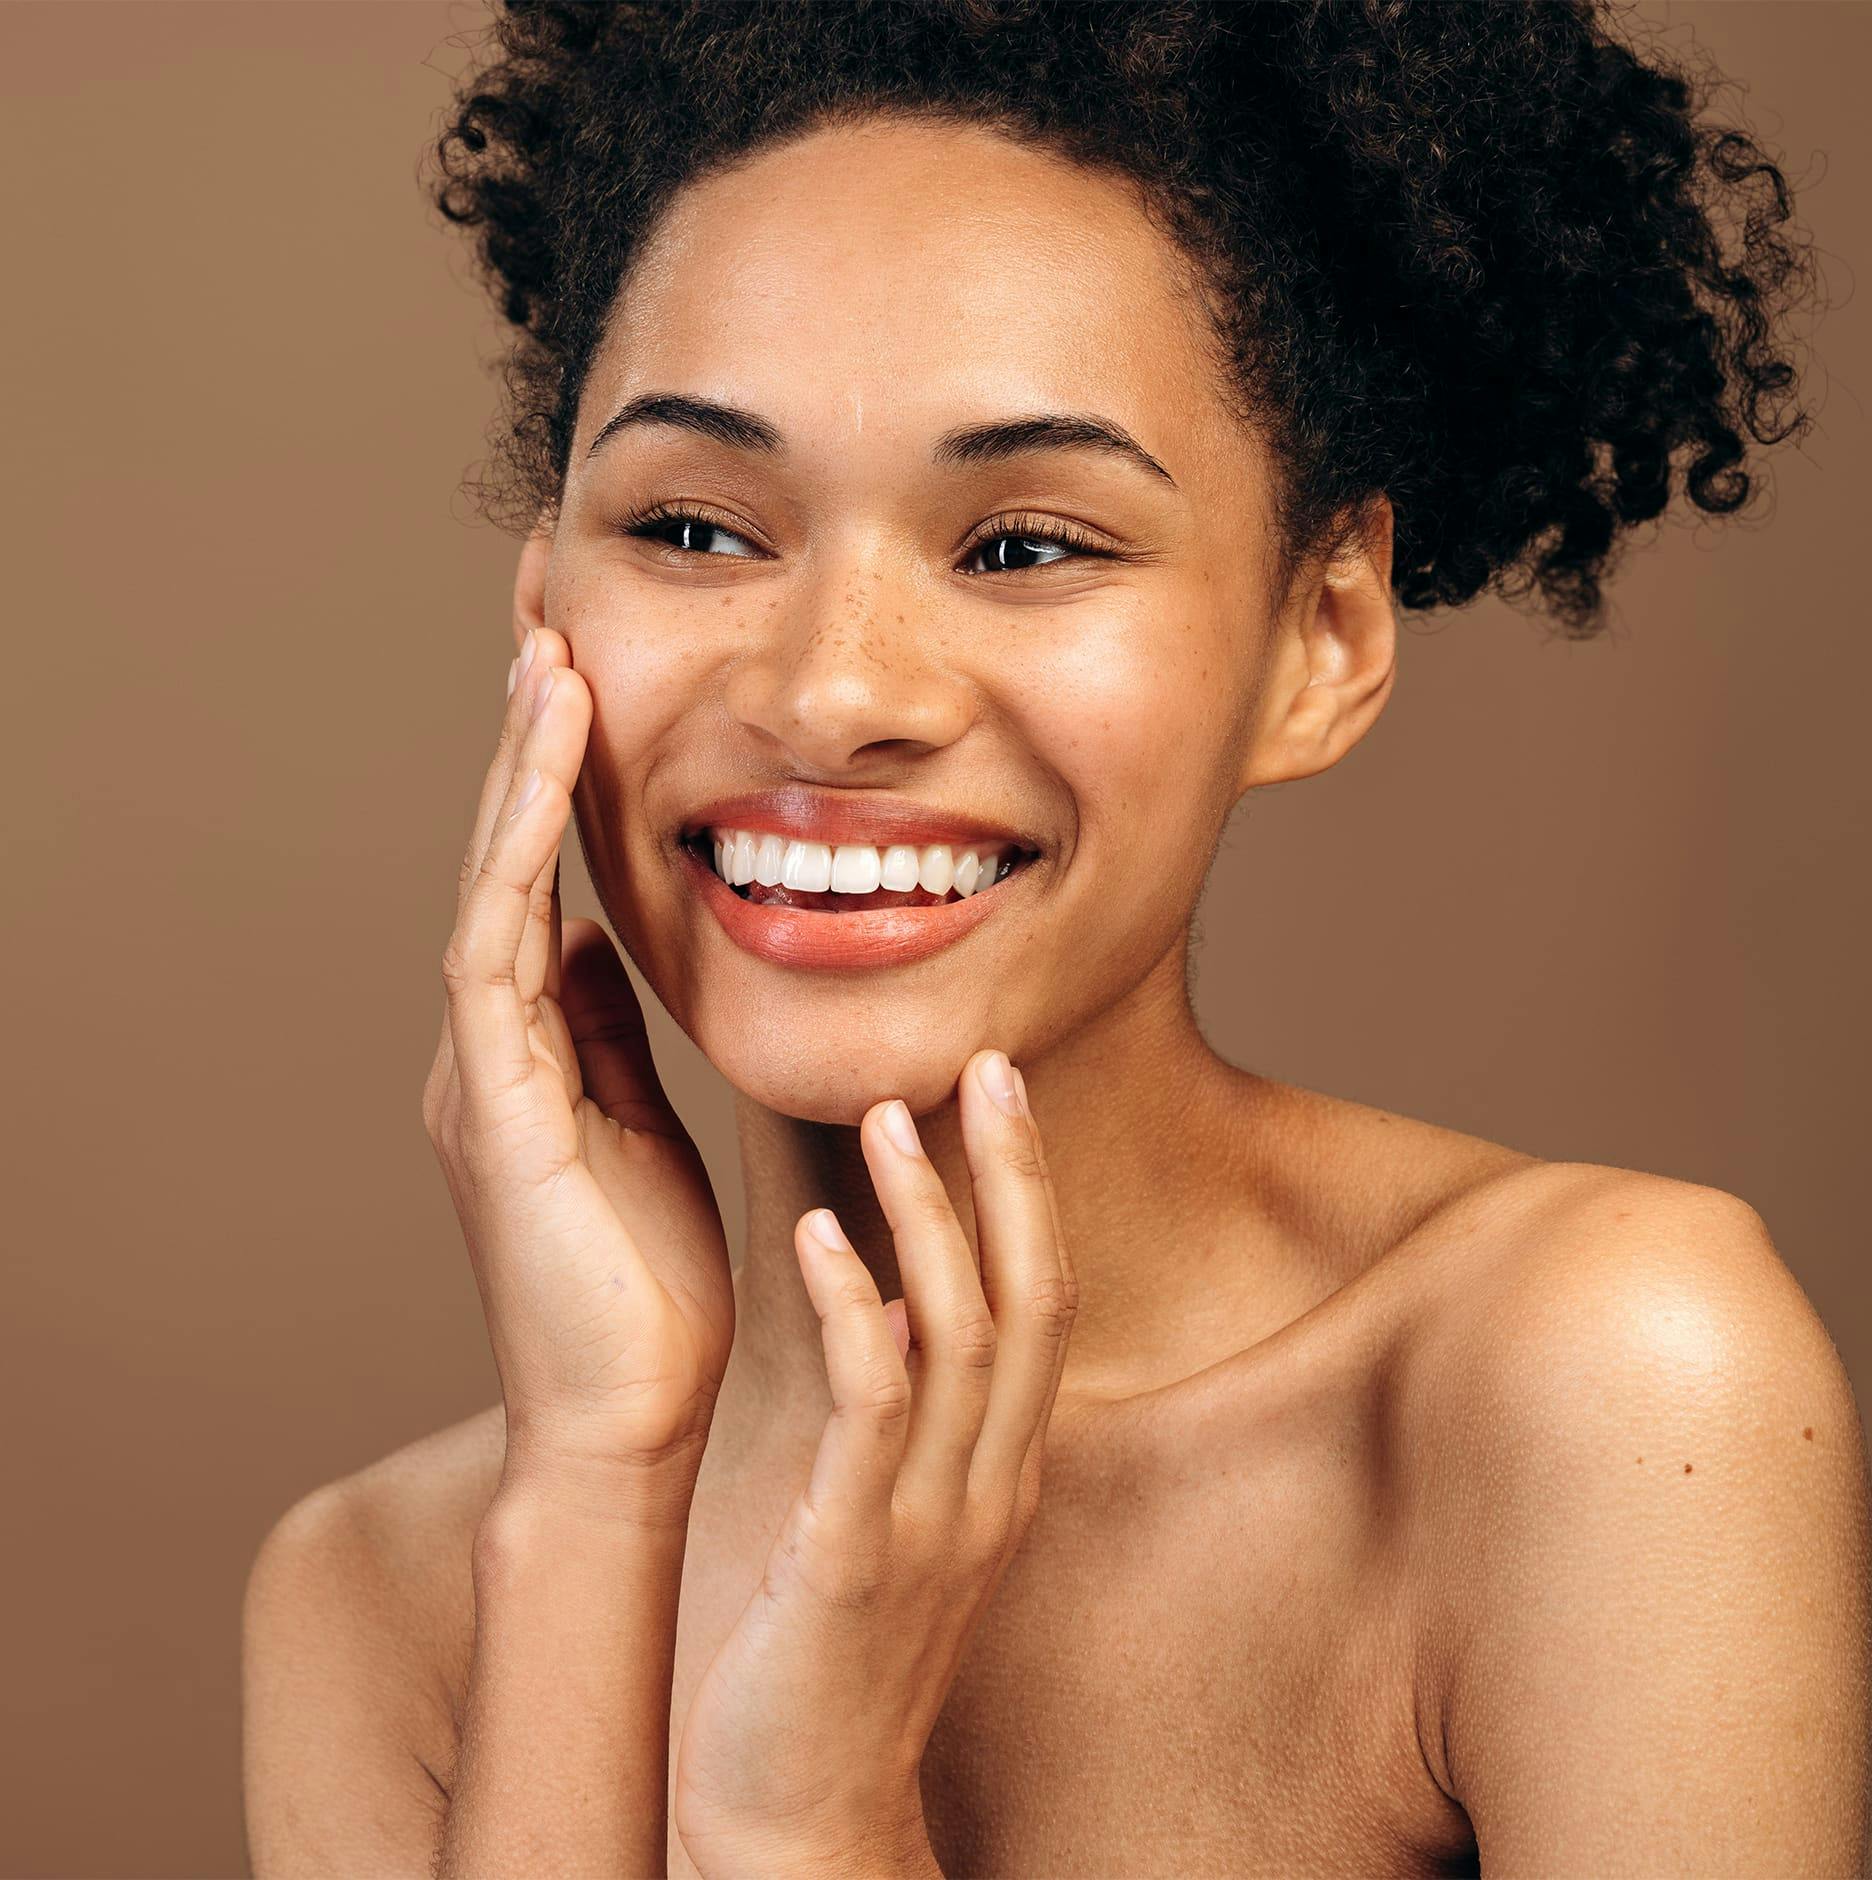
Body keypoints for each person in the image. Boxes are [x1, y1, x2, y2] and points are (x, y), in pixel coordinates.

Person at [241, 2, 1870, 1873]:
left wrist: (814, 1821)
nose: (832, 693)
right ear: (546, 609)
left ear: (1320, 640)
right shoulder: (385, 1592)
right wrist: (602, 1491)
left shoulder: (1592, 1388)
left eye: (1024, 547)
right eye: (692, 528)